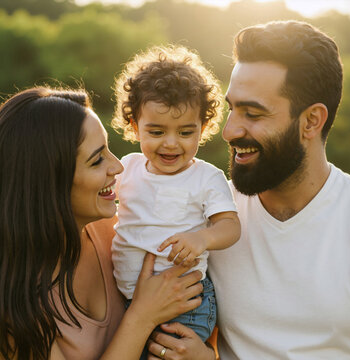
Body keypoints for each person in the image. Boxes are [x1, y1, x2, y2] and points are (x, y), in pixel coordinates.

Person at [148, 21, 350, 360]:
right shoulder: (205, 217)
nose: (228, 131)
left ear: (312, 121)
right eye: (231, 108)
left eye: (252, 113)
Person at [0, 86, 205, 360]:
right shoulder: (5, 299)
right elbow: (147, 313)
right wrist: (141, 317)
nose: (117, 167)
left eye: (108, 149)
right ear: (46, 182)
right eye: (96, 161)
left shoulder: (116, 232)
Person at [110, 45, 241, 351]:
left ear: (203, 128)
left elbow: (230, 226)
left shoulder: (205, 177)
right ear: (134, 126)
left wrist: (201, 240)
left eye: (185, 133)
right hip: (129, 301)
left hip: (187, 303)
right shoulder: (127, 167)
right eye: (156, 132)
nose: (171, 144)